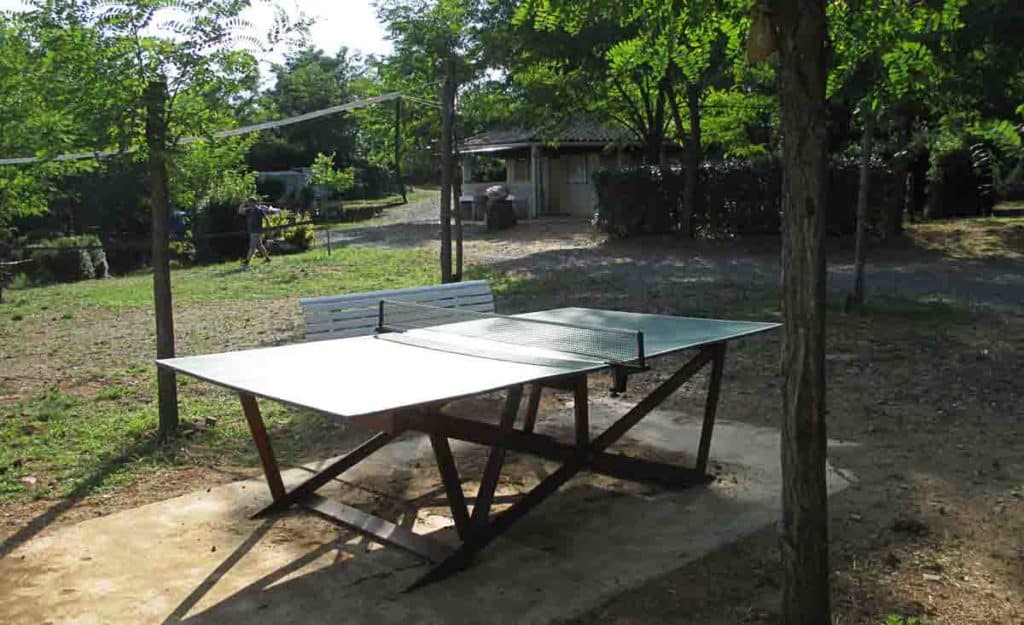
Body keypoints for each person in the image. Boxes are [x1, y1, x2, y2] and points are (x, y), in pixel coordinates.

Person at [240, 197, 281, 266]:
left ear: (254, 203)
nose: (249, 204)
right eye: (248, 203)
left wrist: (268, 228)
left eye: (250, 202)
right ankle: (267, 259)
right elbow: (240, 211)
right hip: (252, 231)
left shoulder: (259, 210)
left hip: (256, 231)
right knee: (259, 246)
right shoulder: (248, 210)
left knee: (252, 247)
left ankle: (247, 261)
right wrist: (243, 203)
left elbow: (266, 218)